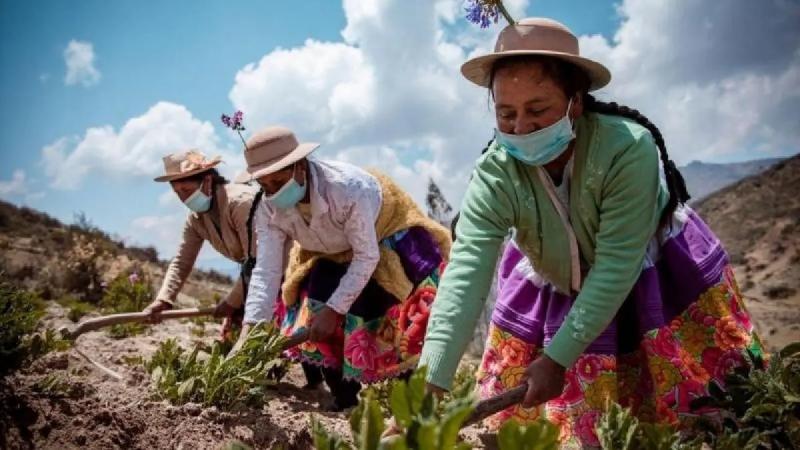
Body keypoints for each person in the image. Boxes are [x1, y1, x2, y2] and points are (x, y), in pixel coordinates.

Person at [419, 18, 762, 447]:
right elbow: (466, 272)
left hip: (652, 275)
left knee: (700, 413)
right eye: (506, 114)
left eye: (538, 110)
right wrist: (430, 382)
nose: (521, 127)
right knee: (573, 429)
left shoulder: (626, 148)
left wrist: (557, 358)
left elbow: (618, 264)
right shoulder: (496, 174)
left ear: (575, 102)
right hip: (559, 279)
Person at [236, 125, 451, 412]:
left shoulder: (347, 189)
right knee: (316, 309)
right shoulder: (268, 208)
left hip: (384, 238)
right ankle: (344, 399)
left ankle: (412, 404)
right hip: (327, 251)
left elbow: (365, 257)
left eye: (279, 181)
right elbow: (267, 270)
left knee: (389, 316)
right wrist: (250, 330)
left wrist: (335, 309)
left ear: (299, 167)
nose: (273, 193)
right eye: (265, 186)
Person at [143, 150, 261, 339]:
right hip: (252, 280)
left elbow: (258, 259)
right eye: (177, 192)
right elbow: (182, 261)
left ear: (207, 181)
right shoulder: (196, 219)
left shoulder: (240, 202)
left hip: (281, 273)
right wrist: (164, 299)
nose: (184, 198)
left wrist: (233, 301)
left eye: (187, 190)